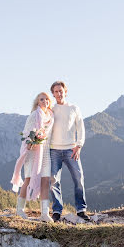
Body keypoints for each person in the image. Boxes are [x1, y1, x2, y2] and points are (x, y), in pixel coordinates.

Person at [11, 92, 54, 222]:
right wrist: (30, 142)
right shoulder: (34, 116)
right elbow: (26, 134)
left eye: (46, 99)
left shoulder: (51, 116)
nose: (45, 101)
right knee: (28, 180)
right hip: (32, 152)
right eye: (42, 99)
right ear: (37, 102)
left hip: (45, 153)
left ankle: (45, 213)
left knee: (45, 181)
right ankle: (19, 210)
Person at [49, 81, 89, 222]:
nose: (59, 93)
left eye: (61, 91)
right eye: (56, 91)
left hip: (71, 149)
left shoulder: (74, 108)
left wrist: (79, 146)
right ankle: (57, 211)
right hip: (54, 149)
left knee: (79, 178)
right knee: (53, 180)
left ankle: (81, 210)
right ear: (53, 94)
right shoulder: (51, 109)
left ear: (65, 91)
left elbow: (81, 128)